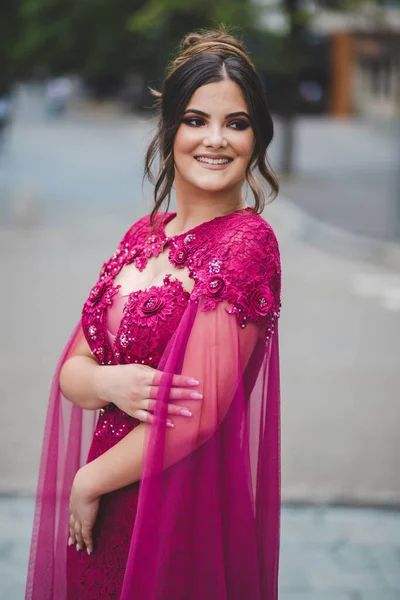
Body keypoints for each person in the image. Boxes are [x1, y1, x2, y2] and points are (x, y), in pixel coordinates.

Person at [25, 29, 282, 600]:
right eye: (196, 119)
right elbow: (73, 369)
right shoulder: (143, 235)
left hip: (176, 509)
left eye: (236, 123)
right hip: (105, 508)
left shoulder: (247, 245)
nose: (216, 139)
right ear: (169, 130)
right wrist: (107, 380)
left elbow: (199, 413)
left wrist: (90, 479)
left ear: (258, 136)